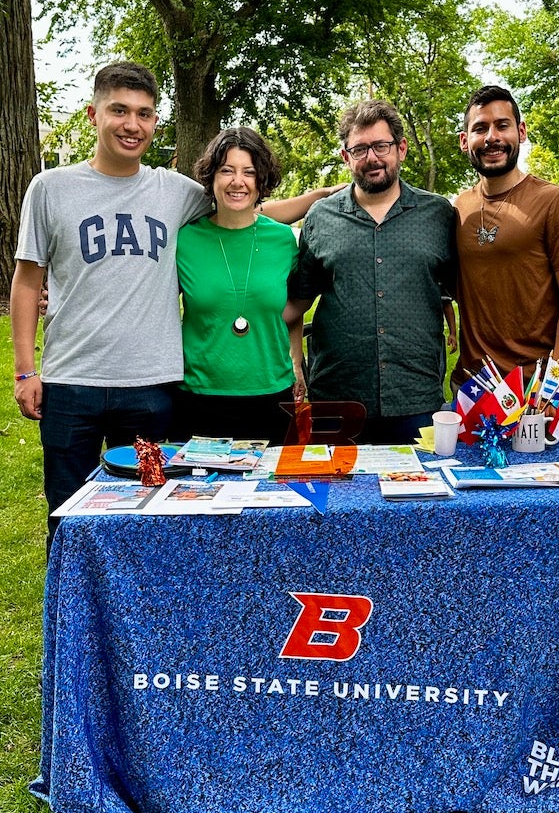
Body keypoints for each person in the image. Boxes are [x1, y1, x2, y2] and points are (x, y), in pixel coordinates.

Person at [10, 61, 340, 545]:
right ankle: (72, 612)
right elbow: (25, 280)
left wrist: (324, 196)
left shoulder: (174, 192)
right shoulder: (51, 188)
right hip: (70, 382)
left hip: (152, 387)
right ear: (92, 114)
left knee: (151, 516)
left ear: (155, 123)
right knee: (67, 515)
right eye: (118, 110)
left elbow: (245, 209)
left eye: (144, 114)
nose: (131, 124)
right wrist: (24, 370)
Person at [285, 99, 457, 443]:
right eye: (360, 149)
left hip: (416, 397)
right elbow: (296, 302)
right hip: (337, 398)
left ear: (402, 149)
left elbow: (467, 295)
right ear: (346, 157)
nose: (372, 158)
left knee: (418, 495)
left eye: (381, 146)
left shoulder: (438, 215)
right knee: (332, 496)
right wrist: (292, 360)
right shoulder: (320, 217)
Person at [452, 84, 559, 390]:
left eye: (502, 125)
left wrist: (552, 387)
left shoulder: (556, 202)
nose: (492, 138)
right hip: (470, 390)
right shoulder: (458, 209)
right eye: (480, 128)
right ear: (465, 141)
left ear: (521, 131)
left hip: (533, 393)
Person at [171, 128, 304, 443]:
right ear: (211, 177)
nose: (237, 181)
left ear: (261, 181)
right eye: (226, 170)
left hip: (273, 395)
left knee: (275, 493)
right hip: (199, 396)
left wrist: (296, 359)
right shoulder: (184, 240)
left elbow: (294, 305)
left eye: (249, 172)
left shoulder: (283, 240)